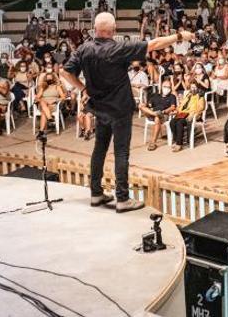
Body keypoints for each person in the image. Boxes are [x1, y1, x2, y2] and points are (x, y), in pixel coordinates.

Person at [61, 12, 194, 213]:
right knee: (121, 152)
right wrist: (179, 37)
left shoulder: (84, 49)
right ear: (113, 31)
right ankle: (122, 198)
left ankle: (96, 194)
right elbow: (154, 44)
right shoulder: (118, 48)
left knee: (99, 149)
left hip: (99, 108)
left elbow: (64, 72)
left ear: (95, 30)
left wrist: (83, 88)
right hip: (120, 109)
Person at [138, 82, 178, 151]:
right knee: (140, 105)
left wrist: (164, 111)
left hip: (163, 114)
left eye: (168, 87)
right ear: (161, 87)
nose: (166, 88)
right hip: (153, 113)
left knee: (157, 118)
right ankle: (154, 114)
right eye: (165, 86)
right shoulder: (156, 95)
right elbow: (149, 105)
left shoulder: (172, 96)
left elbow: (172, 107)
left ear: (170, 88)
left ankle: (153, 143)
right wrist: (145, 105)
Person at [169, 83, 206, 152]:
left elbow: (201, 108)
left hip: (191, 115)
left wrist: (193, 115)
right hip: (182, 114)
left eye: (195, 87)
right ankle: (178, 139)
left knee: (179, 123)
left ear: (198, 88)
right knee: (172, 122)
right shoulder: (188, 96)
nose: (193, 89)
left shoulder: (201, 97)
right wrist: (176, 111)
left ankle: (179, 144)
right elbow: (181, 106)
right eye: (192, 87)